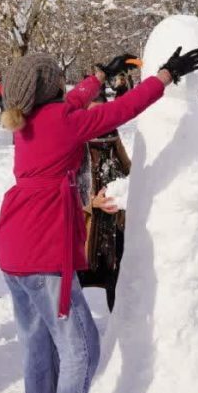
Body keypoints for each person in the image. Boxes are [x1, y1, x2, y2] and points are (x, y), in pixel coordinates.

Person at [0, 48, 198, 393]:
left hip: (13, 244)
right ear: (50, 85)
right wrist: (162, 76)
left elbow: (70, 103)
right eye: (60, 79)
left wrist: (97, 77)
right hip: (43, 246)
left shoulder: (26, 118)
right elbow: (124, 109)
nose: (66, 87)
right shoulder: (65, 122)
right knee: (82, 346)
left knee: (38, 340)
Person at [75, 90, 132, 311]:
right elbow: (67, 187)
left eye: (102, 113)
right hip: (85, 226)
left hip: (114, 224)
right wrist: (91, 203)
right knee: (76, 282)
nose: (97, 119)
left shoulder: (113, 137)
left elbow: (128, 170)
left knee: (116, 280)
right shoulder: (77, 142)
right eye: (92, 113)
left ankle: (120, 333)